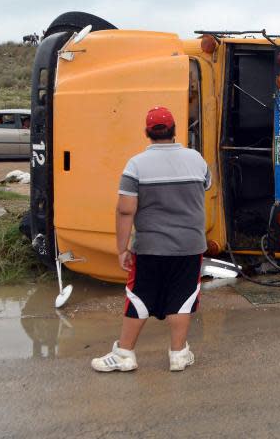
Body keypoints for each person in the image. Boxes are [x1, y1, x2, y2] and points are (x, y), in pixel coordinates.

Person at [91, 106, 212, 372]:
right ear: (174, 130)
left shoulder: (136, 166)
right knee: (182, 298)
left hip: (151, 247)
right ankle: (179, 354)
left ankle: (124, 354)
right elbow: (206, 186)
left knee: (139, 296)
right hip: (190, 246)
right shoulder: (196, 160)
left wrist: (121, 248)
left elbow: (125, 209)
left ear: (147, 132)